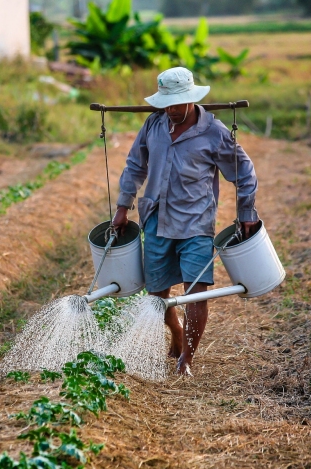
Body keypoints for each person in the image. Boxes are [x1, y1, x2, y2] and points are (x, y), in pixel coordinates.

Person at [111, 67, 260, 376]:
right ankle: (176, 332)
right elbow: (135, 165)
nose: (172, 110)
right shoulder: (153, 124)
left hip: (196, 223)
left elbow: (244, 173)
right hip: (156, 219)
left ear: (192, 99)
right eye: (167, 104)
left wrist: (246, 212)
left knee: (196, 291)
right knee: (157, 295)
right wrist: (123, 206)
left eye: (177, 104)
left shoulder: (214, 133)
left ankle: (186, 361)